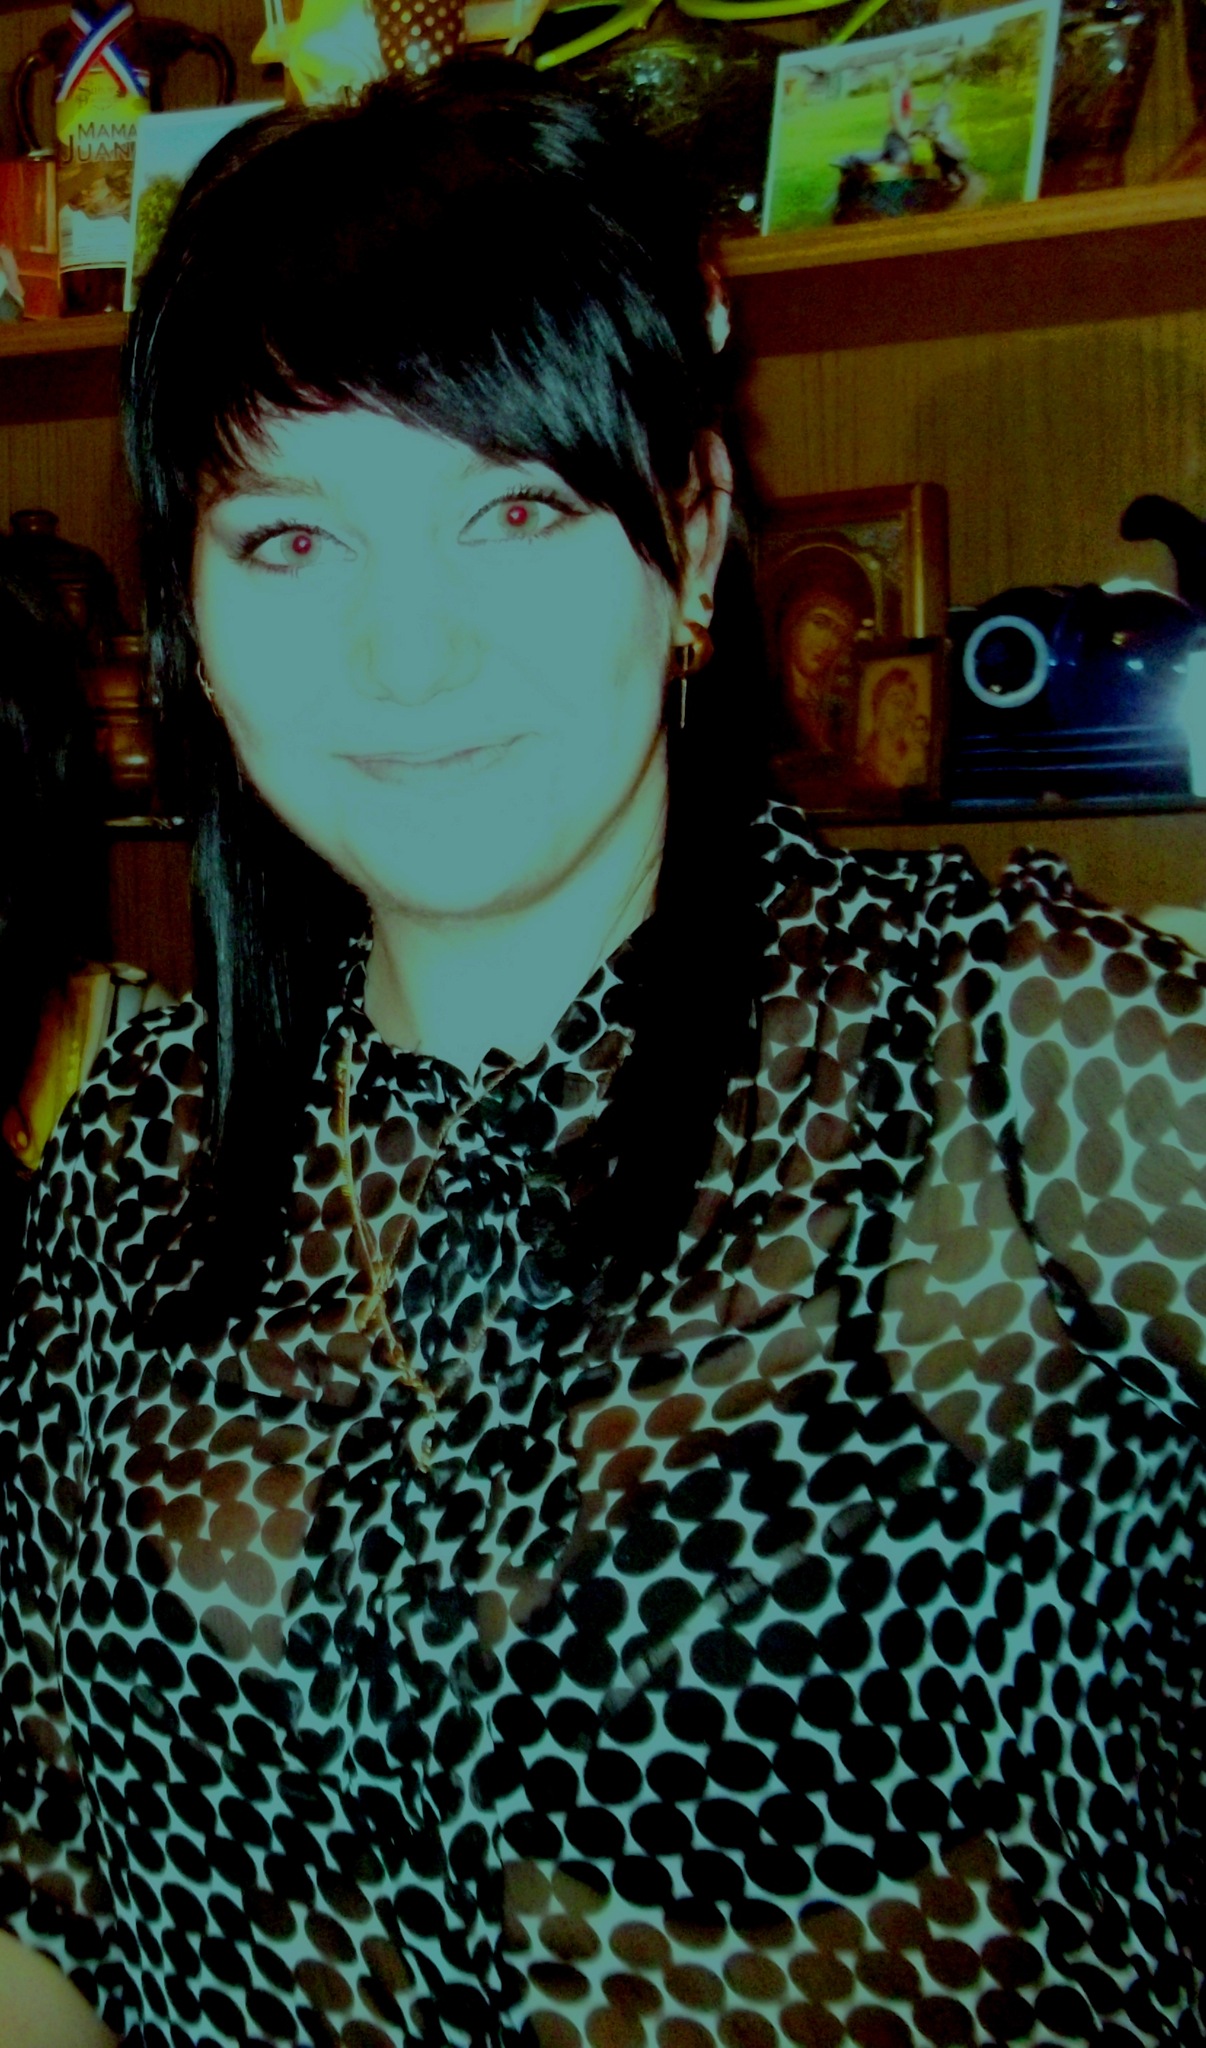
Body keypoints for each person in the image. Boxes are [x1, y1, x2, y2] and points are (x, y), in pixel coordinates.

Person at [1, 58, 1203, 2048]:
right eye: (288, 541)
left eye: (515, 509)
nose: (405, 655)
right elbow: (50, 1855)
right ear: (191, 617)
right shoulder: (143, 1145)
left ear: (695, 534)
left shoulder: (1008, 1051)